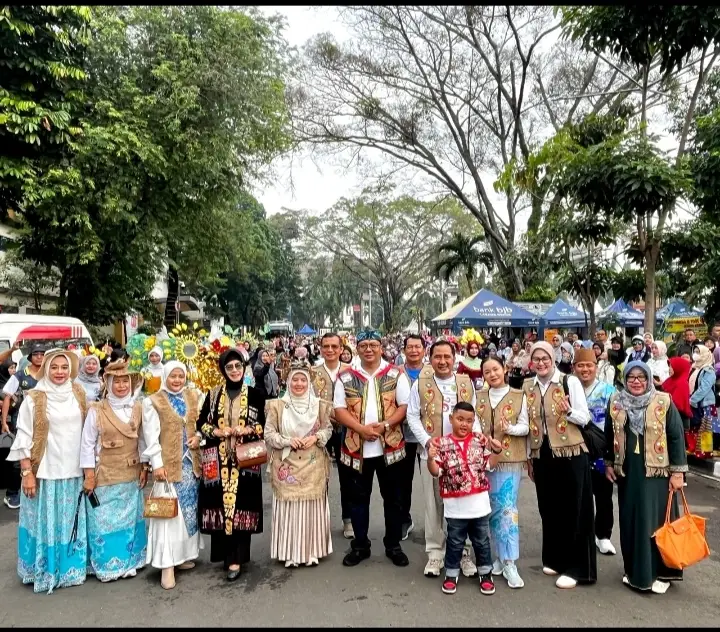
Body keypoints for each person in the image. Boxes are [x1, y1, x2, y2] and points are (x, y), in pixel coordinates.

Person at [8, 349, 88, 593]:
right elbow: (23, 436)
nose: (59, 372)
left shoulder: (78, 393)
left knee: (69, 522)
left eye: (64, 367)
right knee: (45, 524)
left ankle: (70, 570)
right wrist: (27, 473)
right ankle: (45, 569)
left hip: (73, 473)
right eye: (54, 367)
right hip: (44, 473)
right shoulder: (34, 398)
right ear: (45, 369)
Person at [605, 362, 687, 593]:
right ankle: (635, 572)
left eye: (641, 377)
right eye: (631, 377)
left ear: (649, 379)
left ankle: (663, 573)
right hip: (628, 474)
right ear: (624, 379)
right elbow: (609, 432)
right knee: (631, 521)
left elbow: (676, 436)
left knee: (658, 522)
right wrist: (609, 463)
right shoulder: (616, 401)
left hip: (657, 475)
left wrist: (678, 472)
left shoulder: (663, 401)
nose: (636, 381)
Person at [333, 328, 411, 567]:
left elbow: (404, 406)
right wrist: (360, 429)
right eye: (363, 345)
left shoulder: (396, 374)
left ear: (381, 347)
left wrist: (385, 425)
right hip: (355, 448)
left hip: (391, 447)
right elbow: (339, 409)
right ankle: (360, 545)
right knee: (357, 500)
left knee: (394, 499)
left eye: (373, 345)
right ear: (357, 349)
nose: (369, 349)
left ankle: (393, 545)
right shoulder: (346, 376)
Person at [524, 341, 596, 589]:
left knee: (574, 509)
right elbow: (528, 424)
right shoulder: (528, 386)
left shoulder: (569, 381)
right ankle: (555, 559)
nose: (541, 363)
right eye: (537, 359)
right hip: (542, 454)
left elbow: (585, 417)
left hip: (571, 452)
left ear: (553, 359)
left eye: (545, 358)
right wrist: (529, 457)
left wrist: (569, 411)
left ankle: (578, 569)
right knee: (549, 507)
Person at [406, 340, 478, 579]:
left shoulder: (466, 382)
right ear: (430, 358)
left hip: (462, 456)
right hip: (432, 455)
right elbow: (412, 416)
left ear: (455, 358)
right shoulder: (420, 383)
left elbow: (475, 417)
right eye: (438, 356)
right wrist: (427, 441)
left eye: (447, 356)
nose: (443, 361)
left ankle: (463, 552)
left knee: (462, 506)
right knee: (433, 505)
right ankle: (435, 553)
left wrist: (475, 446)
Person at [196, 348, 265, 581]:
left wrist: (248, 429)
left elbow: (264, 424)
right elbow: (201, 423)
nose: (234, 371)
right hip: (217, 459)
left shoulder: (255, 394)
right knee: (220, 506)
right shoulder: (214, 394)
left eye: (238, 366)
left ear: (244, 368)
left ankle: (237, 558)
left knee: (241, 507)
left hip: (245, 460)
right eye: (229, 367)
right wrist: (216, 431)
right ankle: (225, 556)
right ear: (223, 370)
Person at [80, 359, 148, 582]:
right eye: (116, 382)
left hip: (130, 474)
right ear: (108, 384)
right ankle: (107, 565)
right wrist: (89, 476)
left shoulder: (138, 407)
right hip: (105, 476)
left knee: (129, 522)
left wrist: (145, 467)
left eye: (125, 381)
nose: (121, 386)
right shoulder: (96, 410)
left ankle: (131, 562)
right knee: (104, 522)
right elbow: (87, 444)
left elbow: (142, 441)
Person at [427, 402, 502, 596]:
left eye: (469, 421)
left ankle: (485, 574)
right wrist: (430, 458)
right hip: (455, 507)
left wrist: (496, 451)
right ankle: (451, 574)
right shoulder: (441, 444)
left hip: (479, 505)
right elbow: (435, 472)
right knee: (455, 542)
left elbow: (490, 465)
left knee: (482, 541)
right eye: (460, 419)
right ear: (451, 419)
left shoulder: (479, 440)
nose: (464, 424)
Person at [266, 360, 333, 567]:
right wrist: (287, 441)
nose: (299, 384)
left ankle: (312, 551)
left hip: (313, 465)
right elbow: (269, 434)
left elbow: (328, 429)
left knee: (311, 508)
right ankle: (290, 553)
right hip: (286, 464)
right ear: (288, 381)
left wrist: (316, 437)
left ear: (309, 382)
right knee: (289, 509)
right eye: (295, 379)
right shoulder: (277, 405)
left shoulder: (319, 405)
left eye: (303, 380)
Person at [142, 361, 202, 590]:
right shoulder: (153, 401)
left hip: (190, 467)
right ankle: (166, 565)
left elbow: (201, 424)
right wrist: (156, 464)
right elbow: (150, 436)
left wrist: (198, 437)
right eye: (173, 376)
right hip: (168, 467)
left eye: (180, 376)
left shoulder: (192, 396)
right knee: (167, 515)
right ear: (165, 377)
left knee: (188, 514)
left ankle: (182, 556)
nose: (177, 380)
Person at [476, 356, 529, 589]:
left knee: (507, 508)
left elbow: (526, 426)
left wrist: (509, 429)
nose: (492, 374)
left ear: (504, 369)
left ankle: (509, 561)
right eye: (487, 371)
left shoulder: (519, 396)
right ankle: (498, 556)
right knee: (489, 509)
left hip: (509, 460)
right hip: (483, 460)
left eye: (496, 369)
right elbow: (473, 423)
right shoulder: (478, 396)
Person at [573, 348, 617, 556]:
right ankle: (581, 534)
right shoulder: (568, 389)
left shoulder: (609, 391)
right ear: (574, 368)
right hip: (576, 450)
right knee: (578, 496)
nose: (585, 369)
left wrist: (611, 456)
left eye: (589, 365)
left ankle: (603, 536)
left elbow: (616, 424)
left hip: (600, 450)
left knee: (603, 495)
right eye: (580, 365)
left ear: (596, 367)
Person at [310, 332, 353, 540]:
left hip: (347, 430)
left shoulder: (351, 371)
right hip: (320, 431)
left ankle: (349, 520)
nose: (330, 350)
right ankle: (320, 520)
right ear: (320, 348)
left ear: (341, 349)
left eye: (334, 346)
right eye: (326, 346)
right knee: (319, 477)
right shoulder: (312, 372)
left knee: (348, 477)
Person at [397, 334, 426, 541]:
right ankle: (403, 519)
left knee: (434, 482)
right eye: (410, 347)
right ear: (404, 350)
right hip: (403, 435)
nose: (414, 350)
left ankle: (439, 524)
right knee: (402, 482)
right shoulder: (396, 372)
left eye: (418, 347)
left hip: (428, 436)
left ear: (424, 350)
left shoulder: (432, 372)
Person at [688, 344, 716, 459]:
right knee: (695, 426)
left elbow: (704, 388)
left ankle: (705, 452)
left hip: (705, 403)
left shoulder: (709, 370)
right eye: (694, 351)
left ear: (704, 354)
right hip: (695, 402)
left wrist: (692, 399)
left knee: (706, 428)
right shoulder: (694, 368)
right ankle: (694, 449)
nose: (695, 354)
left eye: (698, 352)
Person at [1, 356, 20, 508]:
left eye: (14, 367)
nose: (13, 370)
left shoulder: (16, 382)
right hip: (5, 424)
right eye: (10, 367)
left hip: (13, 423)